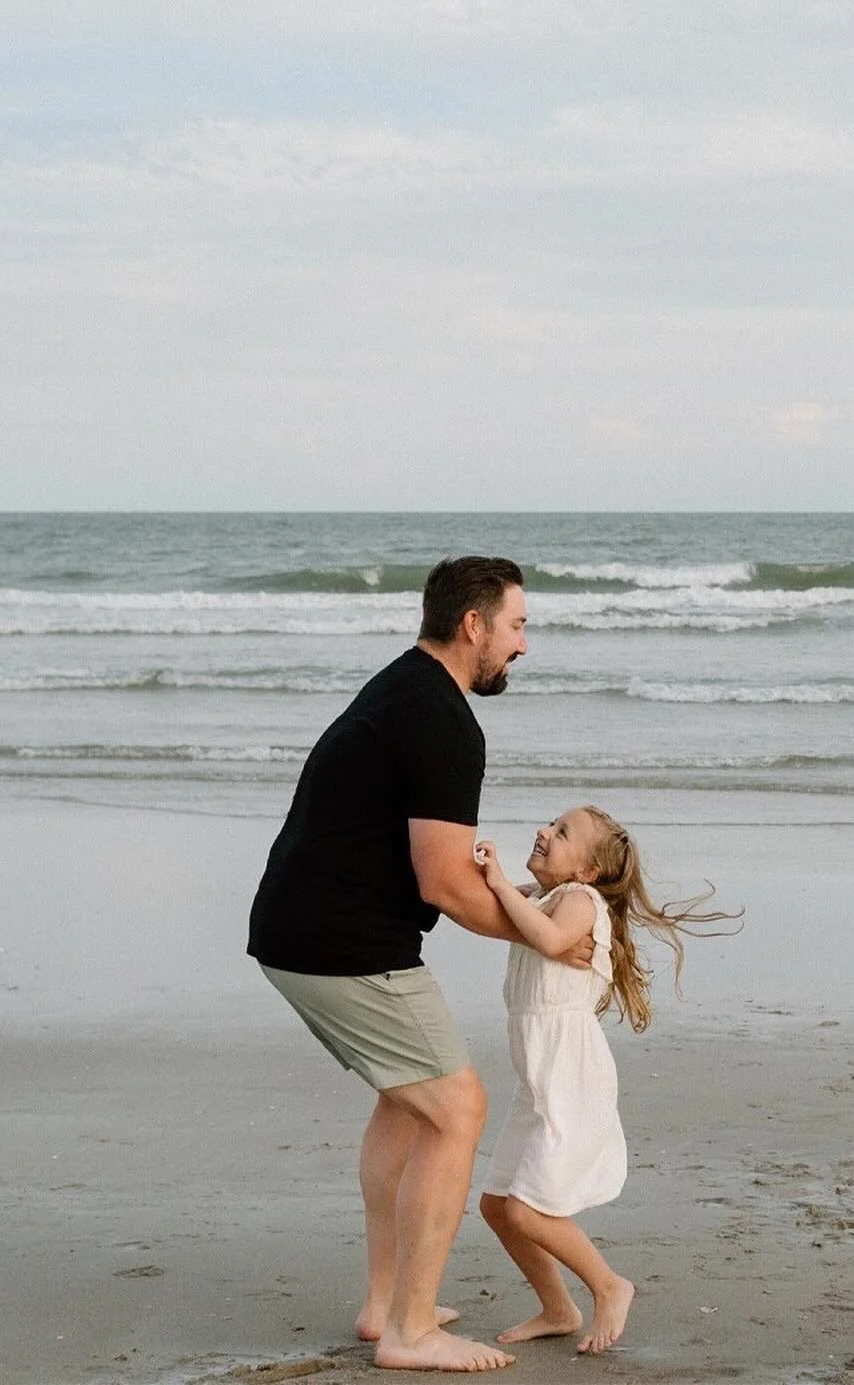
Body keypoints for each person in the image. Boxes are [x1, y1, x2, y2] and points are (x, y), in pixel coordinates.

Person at [247, 555, 538, 1375]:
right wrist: (547, 937)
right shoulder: (442, 720)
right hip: (341, 942)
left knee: (409, 1105)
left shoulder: (405, 687)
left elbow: (429, 866)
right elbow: (444, 882)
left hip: (303, 930)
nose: (523, 645)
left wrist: (521, 905)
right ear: (474, 625)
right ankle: (412, 1329)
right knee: (457, 1109)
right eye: (517, 626)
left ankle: (386, 1306)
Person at [474, 805, 737, 1357]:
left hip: (570, 1077)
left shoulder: (579, 901)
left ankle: (609, 1285)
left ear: (588, 872)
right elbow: (487, 909)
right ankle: (557, 1308)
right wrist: (488, 875)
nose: (544, 831)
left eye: (562, 832)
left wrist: (497, 881)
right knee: (496, 1206)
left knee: (526, 1209)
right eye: (550, 823)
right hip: (539, 1079)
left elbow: (550, 940)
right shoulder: (545, 895)